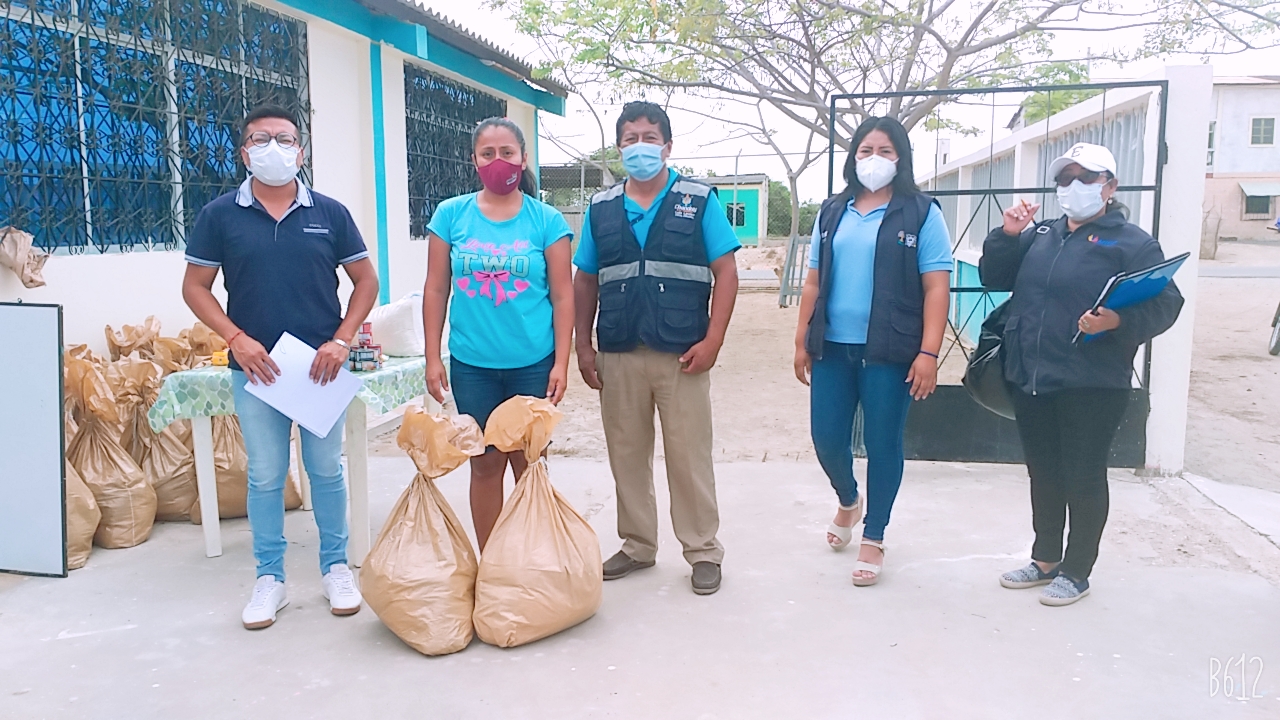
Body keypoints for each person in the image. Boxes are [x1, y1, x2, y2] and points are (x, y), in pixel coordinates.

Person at [182, 104, 379, 629]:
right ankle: (270, 577)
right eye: (261, 139)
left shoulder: (330, 213)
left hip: (320, 367)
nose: (274, 147)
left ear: (301, 151)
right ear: (244, 153)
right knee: (266, 474)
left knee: (326, 470)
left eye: (285, 139)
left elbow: (366, 281)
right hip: (256, 369)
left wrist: (341, 341)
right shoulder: (219, 216)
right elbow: (195, 287)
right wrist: (236, 339)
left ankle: (336, 568)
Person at [981, 142, 1183, 606]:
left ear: (1110, 187)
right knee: (1044, 472)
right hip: (1032, 376)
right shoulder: (1042, 235)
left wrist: (1117, 321)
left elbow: (1167, 303)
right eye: (1065, 178)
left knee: (1083, 474)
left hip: (1093, 382)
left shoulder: (1132, 243)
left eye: (1086, 177)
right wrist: (1008, 235)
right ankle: (1045, 559)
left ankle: (1076, 571)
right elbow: (995, 276)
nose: (1073, 186)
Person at [573, 101, 740, 596]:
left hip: (682, 353)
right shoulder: (601, 208)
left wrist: (714, 340)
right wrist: (583, 345)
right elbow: (585, 279)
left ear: (667, 146)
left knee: (689, 456)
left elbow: (727, 272)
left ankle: (703, 550)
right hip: (619, 349)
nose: (639, 147)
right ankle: (637, 545)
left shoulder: (698, 200)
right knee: (626, 453)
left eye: (649, 138)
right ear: (619, 147)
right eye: (630, 139)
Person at [792, 116, 952, 587]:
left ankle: (874, 535)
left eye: (885, 151)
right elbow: (813, 281)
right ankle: (848, 499)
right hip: (832, 348)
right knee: (826, 438)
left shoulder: (921, 213)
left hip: (891, 349)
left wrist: (929, 353)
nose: (874, 159)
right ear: (853, 157)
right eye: (865, 150)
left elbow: (936, 287)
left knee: (883, 444)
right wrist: (801, 339)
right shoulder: (833, 210)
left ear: (901, 158)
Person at [422, 117, 574, 551]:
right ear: (474, 160)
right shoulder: (450, 215)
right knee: (485, 464)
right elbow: (436, 289)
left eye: (507, 152)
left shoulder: (546, 220)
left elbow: (563, 295)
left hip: (533, 364)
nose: (498, 161)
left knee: (530, 464)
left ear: (523, 158)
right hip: (473, 366)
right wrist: (432, 357)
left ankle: (528, 557)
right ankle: (492, 559)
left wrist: (562, 363)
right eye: (487, 153)